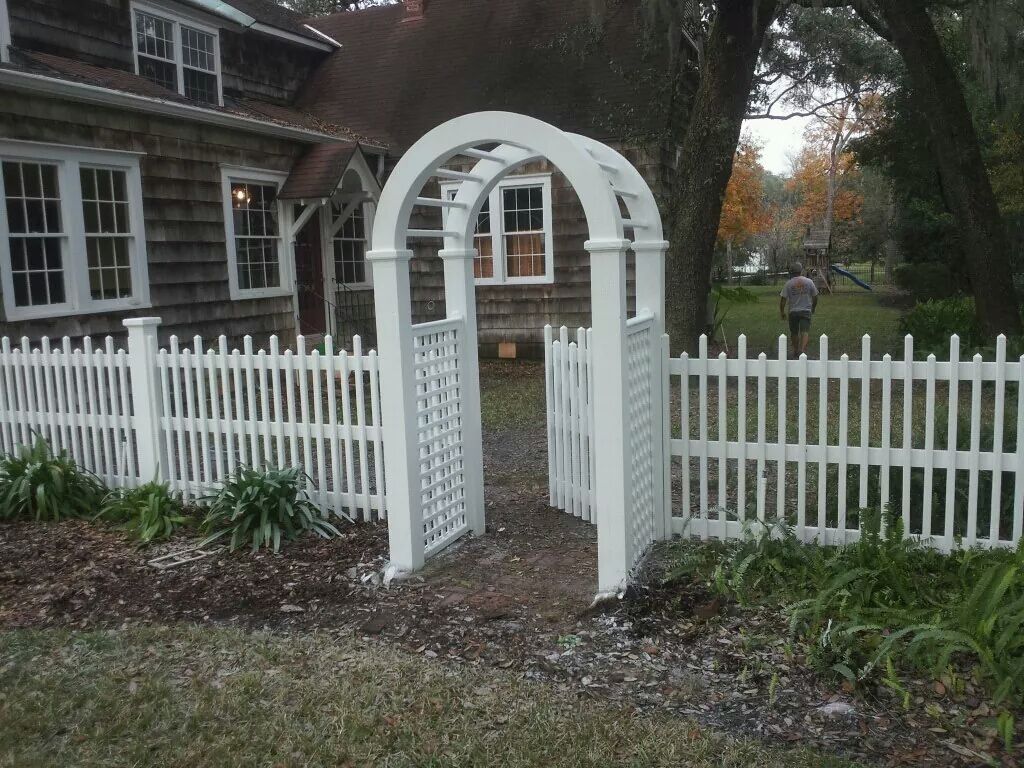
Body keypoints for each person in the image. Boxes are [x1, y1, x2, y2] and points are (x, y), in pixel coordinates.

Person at [779, 262, 819, 356]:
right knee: (805, 331)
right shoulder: (809, 282)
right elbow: (815, 296)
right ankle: (803, 350)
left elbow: (783, 300)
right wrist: (813, 307)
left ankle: (796, 351)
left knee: (794, 332)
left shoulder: (788, 283)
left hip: (793, 312)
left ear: (791, 272)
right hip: (806, 311)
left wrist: (782, 312)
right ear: (801, 271)